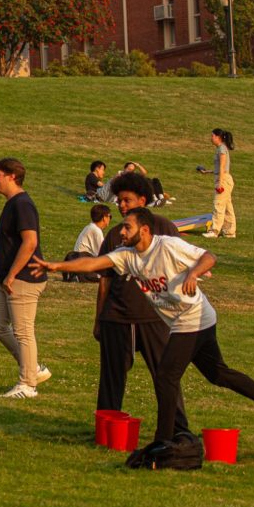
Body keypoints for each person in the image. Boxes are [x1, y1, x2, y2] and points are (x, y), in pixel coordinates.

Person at [31, 207, 254, 445]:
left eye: (127, 227)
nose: (122, 231)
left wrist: (193, 274)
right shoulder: (127, 255)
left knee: (165, 377)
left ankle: (164, 441)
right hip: (185, 322)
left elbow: (209, 256)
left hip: (194, 318)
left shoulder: (168, 246)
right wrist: (56, 266)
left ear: (145, 230)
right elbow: (92, 264)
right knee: (218, 374)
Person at [90, 173, 188, 431]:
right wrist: (99, 318)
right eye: (119, 201)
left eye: (126, 200)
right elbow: (105, 281)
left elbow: (180, 268)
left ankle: (178, 430)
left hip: (155, 317)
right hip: (117, 317)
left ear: (142, 200)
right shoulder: (114, 235)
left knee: (166, 377)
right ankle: (106, 431)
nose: (121, 205)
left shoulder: (165, 227)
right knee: (111, 380)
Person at [0, 157, 51, 398]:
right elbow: (10, 244)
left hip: (24, 278)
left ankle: (28, 385)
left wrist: (12, 274)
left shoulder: (22, 204)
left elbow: (30, 242)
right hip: (9, 279)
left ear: (12, 176)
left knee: (23, 331)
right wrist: (0, 276)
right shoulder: (12, 203)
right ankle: (32, 367)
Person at [62, 203, 112, 282]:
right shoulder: (96, 231)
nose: (110, 219)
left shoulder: (90, 227)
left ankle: (76, 275)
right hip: (82, 262)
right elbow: (102, 254)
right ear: (104, 218)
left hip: (76, 260)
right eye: (110, 216)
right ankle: (79, 276)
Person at [200, 128, 235, 238]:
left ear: (217, 137)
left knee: (218, 205)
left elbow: (222, 167)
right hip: (225, 178)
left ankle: (214, 231)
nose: (211, 138)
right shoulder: (221, 148)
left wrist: (220, 183)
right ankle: (230, 232)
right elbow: (220, 168)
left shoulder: (221, 149)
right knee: (227, 207)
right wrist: (208, 172)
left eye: (212, 136)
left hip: (223, 180)